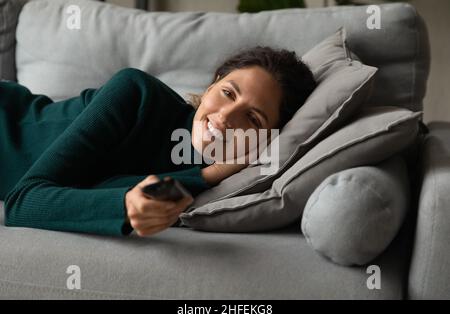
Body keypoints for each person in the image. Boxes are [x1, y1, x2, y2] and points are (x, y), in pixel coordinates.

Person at [0, 46, 316, 237]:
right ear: (211, 86)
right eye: (227, 92)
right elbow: (23, 202)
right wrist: (212, 173)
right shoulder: (135, 92)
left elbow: (96, 185)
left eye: (253, 118)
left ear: (268, 137)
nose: (225, 116)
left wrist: (211, 174)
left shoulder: (205, 177)